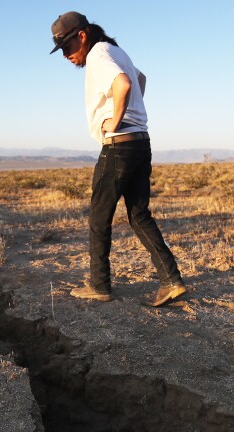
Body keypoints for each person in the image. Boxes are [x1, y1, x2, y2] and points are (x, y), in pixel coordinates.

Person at [49, 11, 187, 307]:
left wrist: (114, 121)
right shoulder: (115, 50)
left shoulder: (98, 54)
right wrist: (133, 114)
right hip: (141, 142)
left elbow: (124, 84)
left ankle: (99, 286)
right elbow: (140, 78)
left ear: (81, 35)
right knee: (139, 215)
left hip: (119, 146)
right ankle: (171, 281)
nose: (65, 56)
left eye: (66, 47)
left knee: (99, 218)